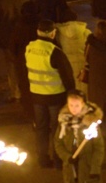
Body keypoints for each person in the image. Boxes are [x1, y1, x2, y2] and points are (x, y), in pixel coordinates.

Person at [54, 90, 105, 183]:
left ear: (83, 105)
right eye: (71, 105)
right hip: (72, 168)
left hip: (87, 168)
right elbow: (58, 143)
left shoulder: (91, 124)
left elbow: (98, 148)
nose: (74, 108)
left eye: (77, 105)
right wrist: (66, 157)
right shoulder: (64, 123)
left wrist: (95, 168)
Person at [26, 19, 76, 168]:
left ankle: (42, 158)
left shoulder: (29, 48)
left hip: (36, 96)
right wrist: (71, 94)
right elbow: (67, 76)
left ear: (37, 32)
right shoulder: (55, 52)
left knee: (41, 128)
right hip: (55, 97)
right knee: (57, 129)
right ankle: (58, 160)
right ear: (53, 33)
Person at [0, 0, 29, 103]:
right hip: (22, 36)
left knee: (11, 65)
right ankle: (26, 88)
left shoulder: (0, 0)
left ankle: (16, 92)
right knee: (24, 62)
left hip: (6, 38)